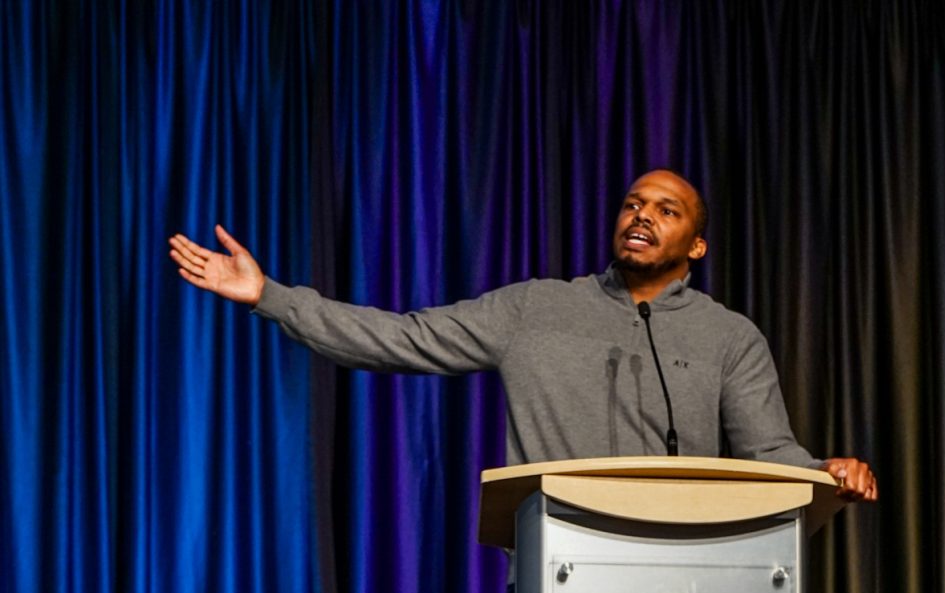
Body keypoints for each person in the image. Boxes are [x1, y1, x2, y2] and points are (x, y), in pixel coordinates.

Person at [169, 170, 878, 501]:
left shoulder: (730, 336)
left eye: (665, 210)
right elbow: (397, 338)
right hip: (558, 572)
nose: (640, 215)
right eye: (632, 202)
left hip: (686, 576)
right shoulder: (534, 309)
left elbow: (768, 452)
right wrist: (270, 296)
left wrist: (825, 474)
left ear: (696, 246)